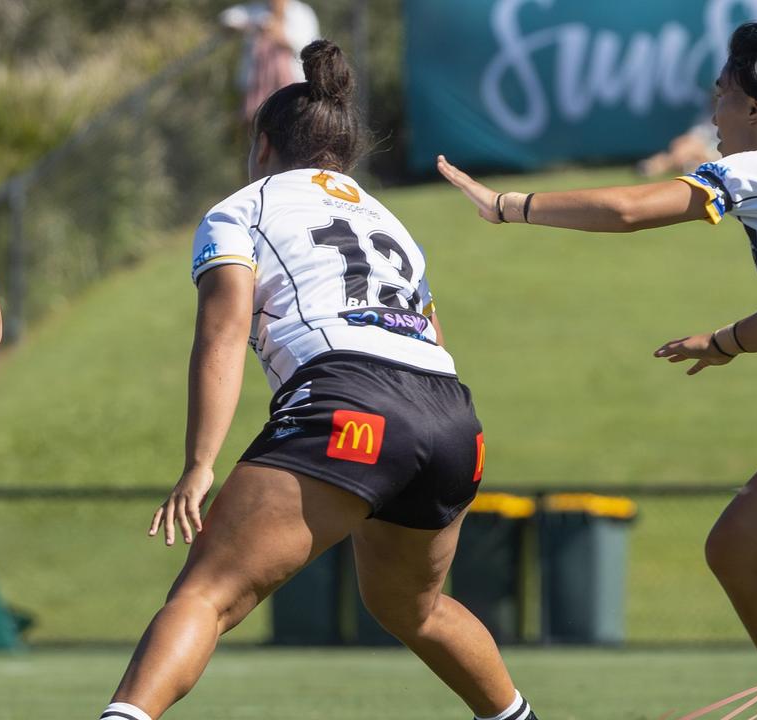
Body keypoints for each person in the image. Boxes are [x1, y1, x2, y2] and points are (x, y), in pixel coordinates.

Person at [97, 40, 538, 720]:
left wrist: (198, 465)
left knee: (205, 597)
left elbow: (220, 333)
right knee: (412, 607)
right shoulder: (388, 219)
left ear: (265, 146)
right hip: (452, 418)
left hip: (349, 400)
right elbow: (431, 336)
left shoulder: (242, 208)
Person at [437, 21, 757, 720]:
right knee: (741, 547)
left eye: (719, 96)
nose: (711, 115)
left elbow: (631, 209)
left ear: (755, 106)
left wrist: (507, 205)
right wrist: (726, 342)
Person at [219, 0, 320, 126]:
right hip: (258, 89)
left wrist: (280, 37)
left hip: (294, 89)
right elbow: (229, 18)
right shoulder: (257, 10)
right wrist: (249, 26)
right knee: (258, 127)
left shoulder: (302, 13)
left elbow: (309, 48)